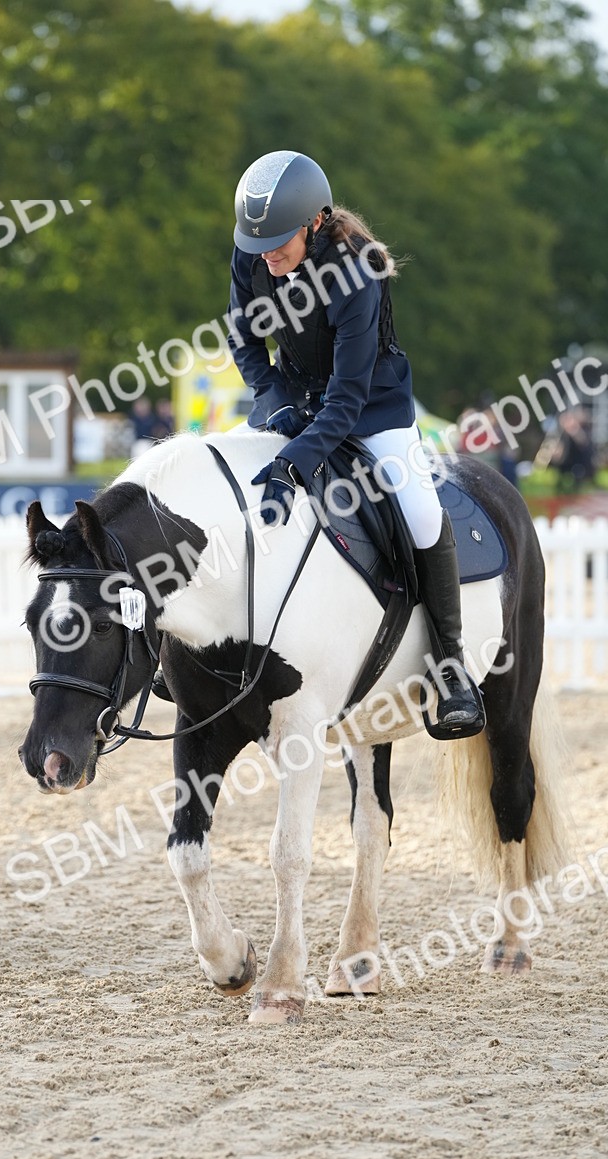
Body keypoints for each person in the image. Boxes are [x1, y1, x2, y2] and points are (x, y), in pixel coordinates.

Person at [226, 149, 481, 733]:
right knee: (232, 477)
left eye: (280, 243)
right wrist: (275, 400)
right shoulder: (253, 249)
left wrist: (295, 460)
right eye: (258, 244)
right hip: (294, 397)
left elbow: (346, 400)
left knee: (418, 512)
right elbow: (243, 340)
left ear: (315, 222)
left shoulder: (355, 272)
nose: (268, 256)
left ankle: (450, 666)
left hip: (371, 408)